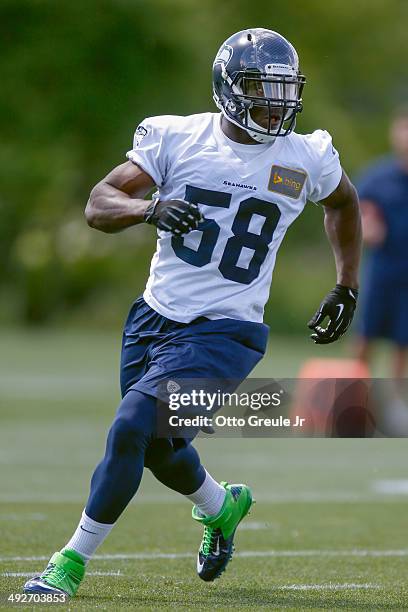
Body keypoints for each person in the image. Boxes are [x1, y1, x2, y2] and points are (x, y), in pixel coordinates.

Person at [24, 28, 361, 598]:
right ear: (228, 89)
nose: (275, 103)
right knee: (157, 449)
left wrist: (346, 284)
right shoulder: (176, 137)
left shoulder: (306, 156)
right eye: (261, 88)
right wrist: (148, 207)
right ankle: (221, 506)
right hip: (155, 317)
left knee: (133, 424)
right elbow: (98, 203)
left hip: (229, 329)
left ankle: (69, 562)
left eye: (284, 90)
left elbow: (344, 202)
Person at [355, 108, 408, 381]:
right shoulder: (377, 178)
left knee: (404, 343)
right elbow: (358, 216)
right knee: (366, 335)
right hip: (382, 271)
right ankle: (357, 394)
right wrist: (367, 228)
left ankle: (395, 401)